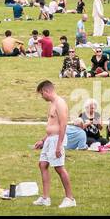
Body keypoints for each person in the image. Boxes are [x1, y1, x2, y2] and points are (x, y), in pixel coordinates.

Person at [32, 80, 77, 208]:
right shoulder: (52, 104)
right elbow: (52, 124)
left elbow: (63, 125)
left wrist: (59, 145)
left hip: (57, 139)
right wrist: (43, 140)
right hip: (50, 139)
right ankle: (45, 198)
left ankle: (70, 198)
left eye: (42, 94)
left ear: (47, 91)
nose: (42, 97)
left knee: (59, 167)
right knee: (43, 164)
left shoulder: (60, 103)